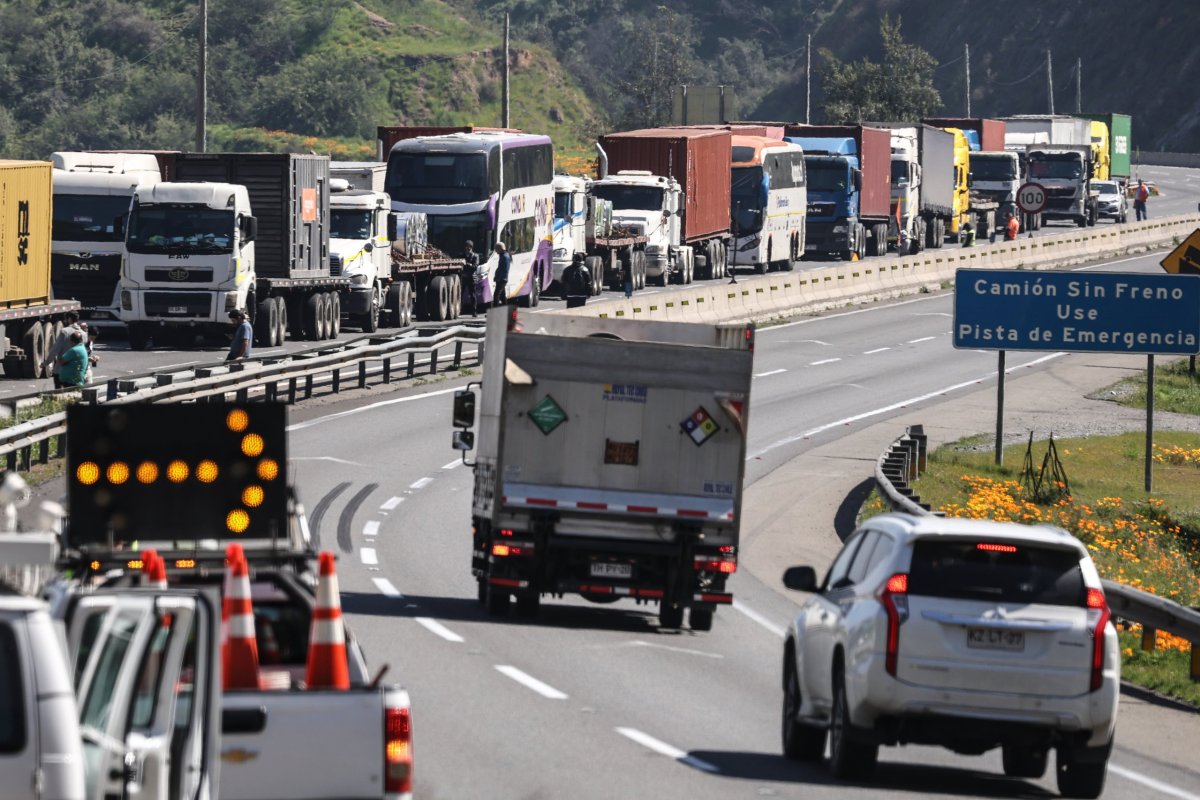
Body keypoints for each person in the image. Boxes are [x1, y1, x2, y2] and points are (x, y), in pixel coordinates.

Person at [44, 311, 82, 388]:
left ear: (69, 319)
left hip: (61, 370)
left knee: (59, 394)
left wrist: (46, 362)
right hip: (77, 371)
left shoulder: (65, 332)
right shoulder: (83, 333)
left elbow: (55, 349)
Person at [462, 240, 480, 317]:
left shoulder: (475, 256)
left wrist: (468, 264)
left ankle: (474, 311)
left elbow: (475, 266)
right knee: (460, 294)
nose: (467, 248)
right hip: (463, 277)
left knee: (472, 295)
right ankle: (459, 309)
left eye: (469, 247)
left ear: (471, 247)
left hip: (471, 277)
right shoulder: (462, 255)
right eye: (466, 246)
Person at [492, 241, 510, 307]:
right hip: (501, 278)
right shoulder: (503, 255)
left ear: (500, 249)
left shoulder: (504, 257)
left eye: (496, 249)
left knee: (496, 296)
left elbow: (504, 270)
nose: (496, 251)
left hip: (501, 279)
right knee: (502, 296)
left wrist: (499, 278)